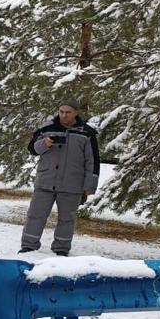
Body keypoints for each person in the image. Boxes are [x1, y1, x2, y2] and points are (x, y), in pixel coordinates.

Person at [20, 99, 100, 256]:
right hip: (45, 182)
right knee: (35, 215)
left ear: (76, 113)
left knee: (67, 219)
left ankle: (61, 249)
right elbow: (32, 149)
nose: (64, 115)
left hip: (72, 185)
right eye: (61, 111)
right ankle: (28, 246)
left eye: (68, 112)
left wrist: (89, 186)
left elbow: (93, 161)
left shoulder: (86, 133)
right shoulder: (46, 128)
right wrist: (45, 143)